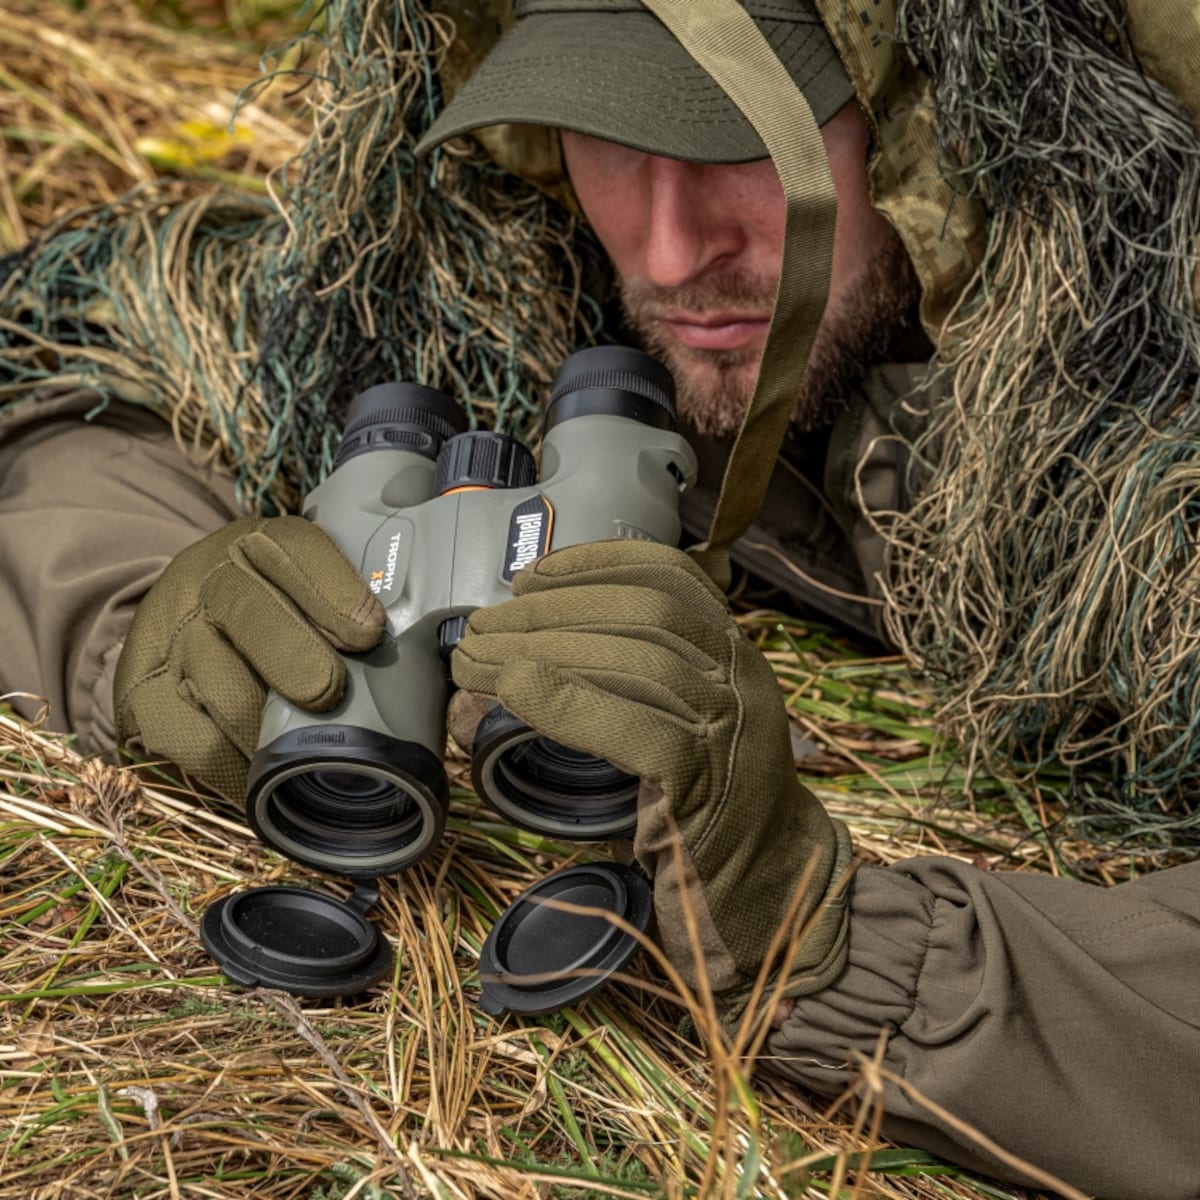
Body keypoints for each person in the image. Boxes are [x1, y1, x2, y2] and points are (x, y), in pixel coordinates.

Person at [2, 2, 1198, 1196]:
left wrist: (831, 942)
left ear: (932, 124)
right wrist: (145, 625)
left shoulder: (1152, 417)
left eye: (742, 137)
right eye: (605, 134)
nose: (670, 253)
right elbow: (107, 361)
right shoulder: (512, 268)